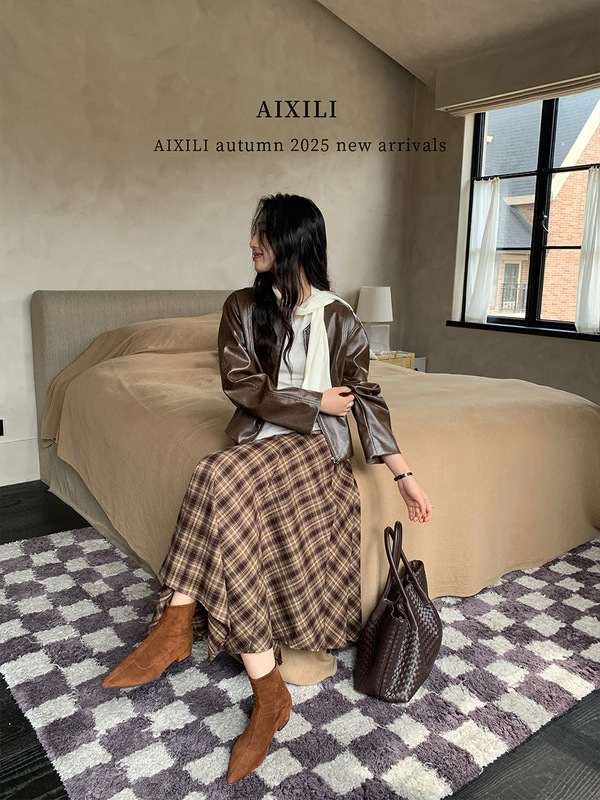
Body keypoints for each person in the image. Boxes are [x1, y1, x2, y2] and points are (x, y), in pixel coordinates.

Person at [101, 193, 433, 784]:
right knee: (219, 478)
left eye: (264, 234)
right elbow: (240, 384)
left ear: (295, 241)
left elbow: (366, 400)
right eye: (254, 233)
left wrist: (403, 475)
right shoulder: (241, 307)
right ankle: (268, 690)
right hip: (260, 439)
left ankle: (176, 626)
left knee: (214, 474)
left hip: (316, 449)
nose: (252, 243)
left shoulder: (341, 319)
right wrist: (313, 399)